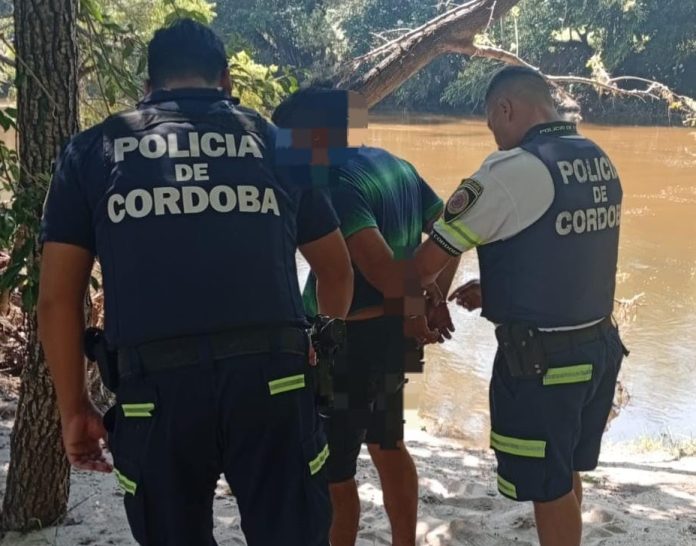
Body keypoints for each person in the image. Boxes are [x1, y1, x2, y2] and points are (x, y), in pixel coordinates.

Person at [37, 19, 353, 546]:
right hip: (273, 387)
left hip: (156, 396)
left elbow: (56, 300)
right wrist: (322, 344)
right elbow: (337, 270)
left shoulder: (91, 150)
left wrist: (74, 407)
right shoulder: (284, 144)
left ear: (147, 86)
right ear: (227, 80)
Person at [414, 66, 627, 546]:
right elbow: (572, 254)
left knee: (548, 489)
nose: (496, 138)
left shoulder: (510, 171)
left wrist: (416, 308)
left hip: (543, 362)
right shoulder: (595, 158)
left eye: (493, 125)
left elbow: (426, 264)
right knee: (564, 470)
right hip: (597, 347)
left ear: (505, 109)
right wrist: (499, 292)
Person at [273, 87, 455, 546]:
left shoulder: (333, 182)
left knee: (334, 471)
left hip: (348, 343)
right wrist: (429, 303)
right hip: (395, 338)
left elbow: (382, 272)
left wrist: (418, 303)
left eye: (287, 140)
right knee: (388, 444)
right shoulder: (394, 163)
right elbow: (451, 233)